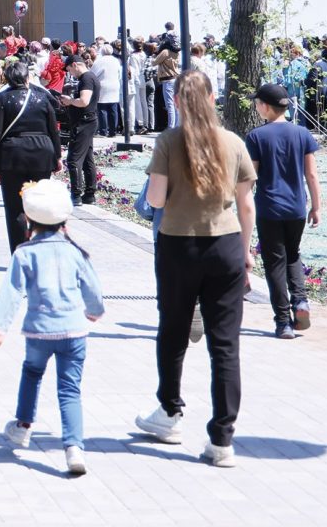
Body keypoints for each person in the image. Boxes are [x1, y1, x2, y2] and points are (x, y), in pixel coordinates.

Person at [135, 70, 257, 467]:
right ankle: (222, 439)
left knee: (173, 332)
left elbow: (155, 199)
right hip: (225, 246)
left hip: (178, 245)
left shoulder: (169, 141)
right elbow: (247, 206)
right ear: (212, 97)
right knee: (225, 345)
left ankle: (169, 412)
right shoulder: (234, 142)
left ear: (175, 101)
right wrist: (246, 254)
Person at [0, 179, 106, 476]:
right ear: (65, 220)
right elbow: (92, 288)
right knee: (69, 389)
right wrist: (94, 311)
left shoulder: (24, 253)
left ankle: (23, 425)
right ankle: (74, 447)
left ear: (28, 220)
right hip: (74, 331)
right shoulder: (76, 252)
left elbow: (12, 292)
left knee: (32, 373)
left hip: (39, 331)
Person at [244, 82, 321, 339]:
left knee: (274, 263)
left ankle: (283, 322)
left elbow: (251, 176)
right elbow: (311, 174)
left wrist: (242, 202)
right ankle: (300, 301)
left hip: (269, 208)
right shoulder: (302, 133)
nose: (256, 107)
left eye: (257, 104)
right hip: (297, 207)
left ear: (266, 107)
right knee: (293, 254)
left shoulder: (256, 136)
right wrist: (316, 207)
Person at [0, 59, 62, 254]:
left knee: (15, 208)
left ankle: (19, 252)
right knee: (40, 204)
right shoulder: (42, 97)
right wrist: (57, 156)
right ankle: (41, 249)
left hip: (12, 155)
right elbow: (53, 130)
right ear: (27, 77)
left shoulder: (2, 99)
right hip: (41, 153)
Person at [59, 54, 100, 206]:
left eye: (69, 69)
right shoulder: (90, 77)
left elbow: (84, 101)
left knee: (73, 159)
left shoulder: (86, 78)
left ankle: (76, 195)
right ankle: (89, 193)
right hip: (88, 121)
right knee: (87, 158)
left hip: (84, 122)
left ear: (75, 65)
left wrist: (69, 101)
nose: (70, 73)